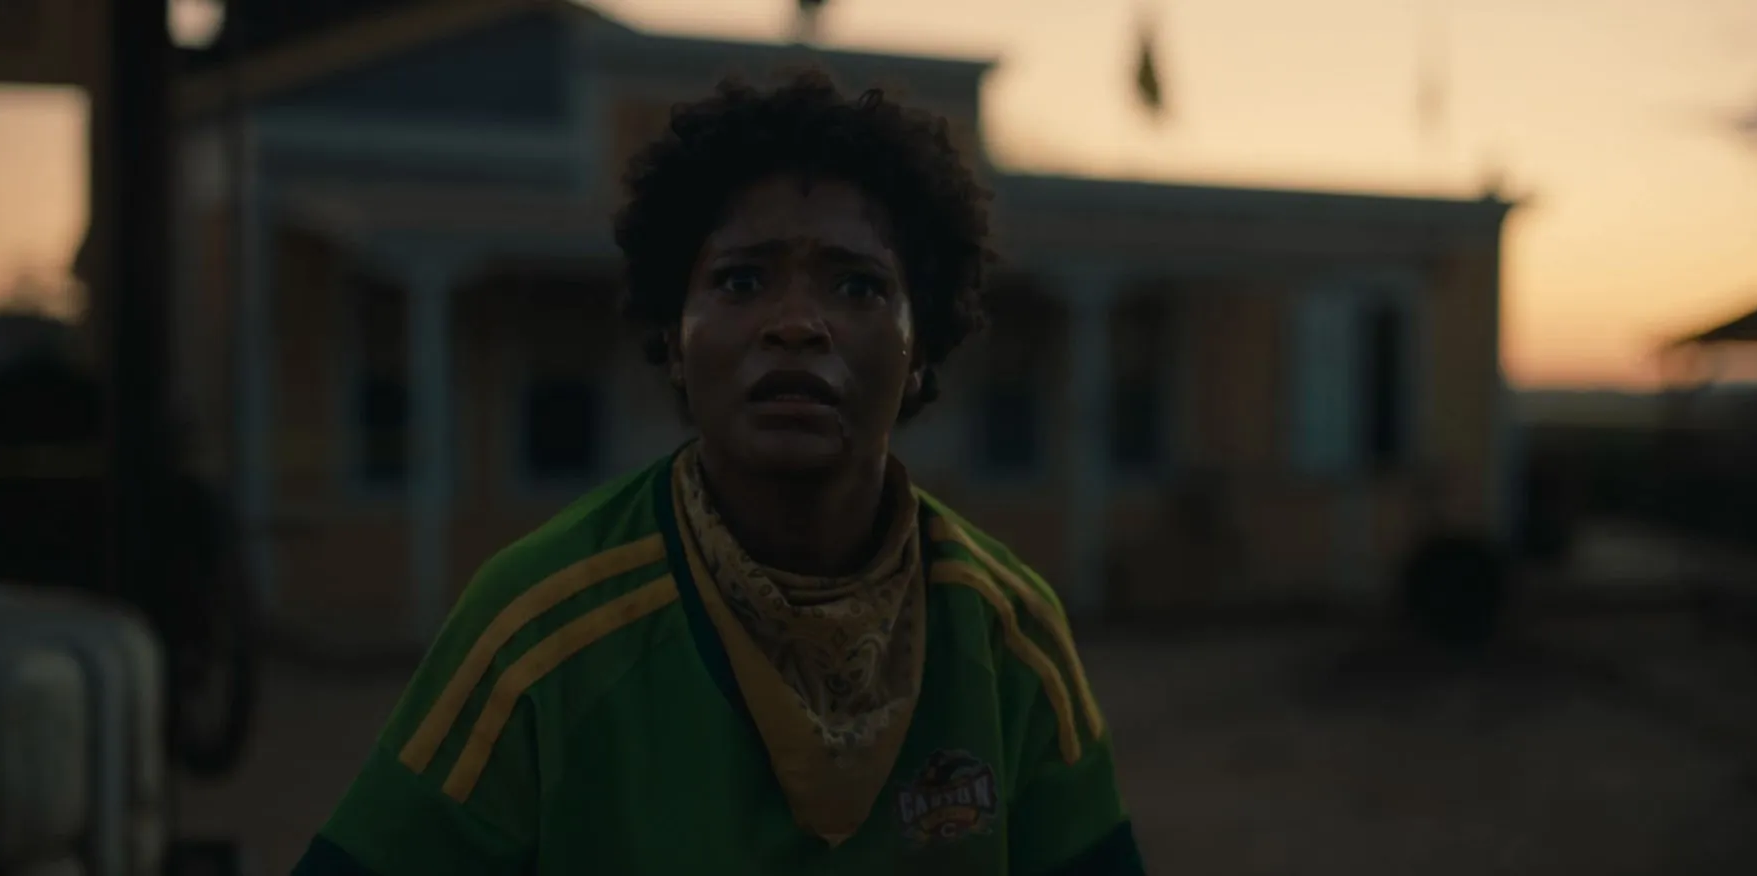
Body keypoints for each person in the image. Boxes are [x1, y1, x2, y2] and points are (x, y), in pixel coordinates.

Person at [292, 70, 1144, 876]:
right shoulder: (537, 632)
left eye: (858, 287)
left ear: (921, 352)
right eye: (741, 281)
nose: (797, 324)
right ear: (673, 337)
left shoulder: (1009, 635)